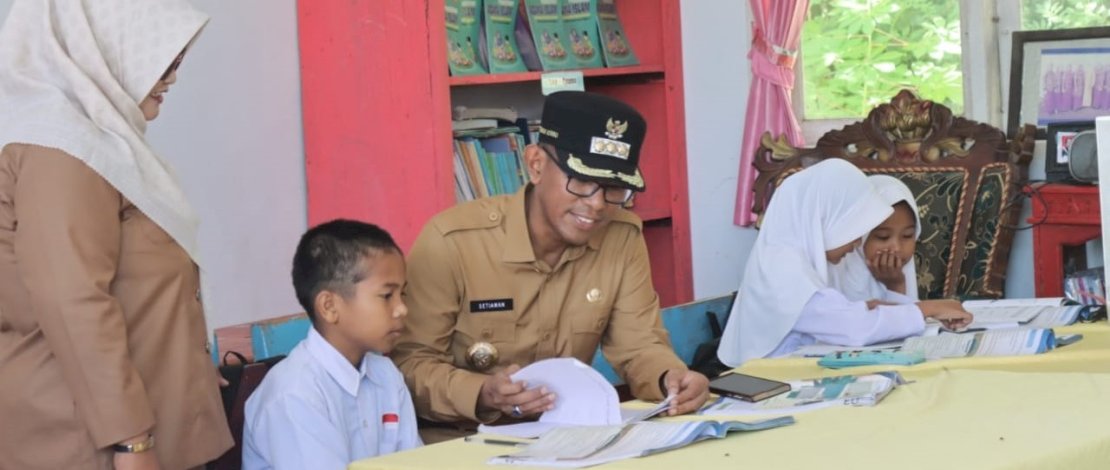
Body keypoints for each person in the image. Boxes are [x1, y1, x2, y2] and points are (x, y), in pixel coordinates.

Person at [392, 91, 710, 442]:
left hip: (569, 439)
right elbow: (408, 365)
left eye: (614, 188)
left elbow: (638, 345)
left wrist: (671, 378)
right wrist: (482, 392)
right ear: (536, 164)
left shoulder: (622, 238)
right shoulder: (453, 242)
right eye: (582, 182)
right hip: (461, 440)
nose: (597, 205)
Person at [0, 0, 233, 469]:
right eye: (162, 58)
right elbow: (73, 303)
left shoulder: (95, 145)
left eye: (176, 61)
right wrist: (132, 441)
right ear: (96, 43)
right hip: (89, 445)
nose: (171, 77)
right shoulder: (61, 152)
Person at [716, 160, 973, 367]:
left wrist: (870, 306)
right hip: (776, 380)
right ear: (826, 219)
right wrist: (928, 309)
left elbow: (839, 315)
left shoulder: (793, 256)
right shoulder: (783, 266)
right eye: (852, 229)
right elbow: (854, 327)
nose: (855, 245)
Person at [243, 220, 421, 470]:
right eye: (387, 296)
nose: (402, 308)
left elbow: (416, 463)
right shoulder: (294, 394)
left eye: (403, 294)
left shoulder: (386, 374)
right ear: (329, 307)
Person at [830, 174, 921, 301]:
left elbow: (905, 319)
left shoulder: (904, 274)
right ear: (859, 234)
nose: (896, 247)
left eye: (907, 235)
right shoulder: (832, 278)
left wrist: (896, 286)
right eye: (883, 237)